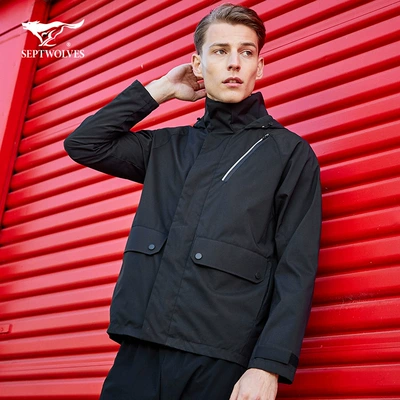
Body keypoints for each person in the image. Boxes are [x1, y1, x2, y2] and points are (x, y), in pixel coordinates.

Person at [64, 3, 321, 400]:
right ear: (198, 65)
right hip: (140, 354)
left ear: (260, 67)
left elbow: (296, 268)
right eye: (220, 51)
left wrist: (268, 365)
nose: (234, 63)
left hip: (221, 363)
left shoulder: (288, 154)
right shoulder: (166, 148)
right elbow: (84, 144)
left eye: (246, 52)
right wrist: (161, 90)